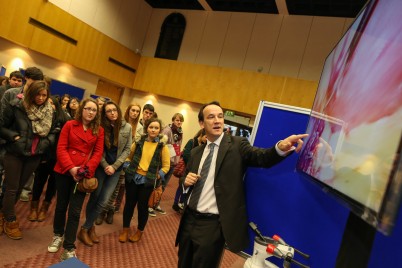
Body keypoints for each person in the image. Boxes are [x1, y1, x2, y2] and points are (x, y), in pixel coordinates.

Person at [175, 101, 308, 267]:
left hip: (212, 225)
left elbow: (262, 157)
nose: (217, 120)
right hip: (188, 219)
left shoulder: (238, 145)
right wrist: (185, 182)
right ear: (202, 123)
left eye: (220, 116)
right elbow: (185, 178)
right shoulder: (196, 152)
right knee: (183, 263)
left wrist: (280, 147)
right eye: (211, 117)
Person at [48, 98, 104, 261]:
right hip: (64, 170)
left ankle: (69, 246)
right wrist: (72, 168)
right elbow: (61, 148)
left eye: (94, 110)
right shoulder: (69, 124)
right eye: (88, 108)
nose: (91, 112)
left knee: (75, 211)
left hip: (83, 175)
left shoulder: (99, 130)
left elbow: (97, 153)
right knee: (61, 205)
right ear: (82, 109)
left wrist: (86, 170)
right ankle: (57, 234)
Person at [0, 80, 55, 239]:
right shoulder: (18, 106)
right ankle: (11, 220)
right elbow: (2, 126)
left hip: (34, 155)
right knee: (11, 188)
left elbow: (55, 129)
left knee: (19, 188)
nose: (41, 98)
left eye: (44, 95)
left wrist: (45, 144)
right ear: (31, 93)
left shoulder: (49, 111)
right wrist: (14, 137)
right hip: (15, 153)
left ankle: (2, 215)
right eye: (38, 94)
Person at [78, 100, 132, 247]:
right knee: (95, 198)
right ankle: (90, 228)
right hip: (100, 167)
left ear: (118, 111)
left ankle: (85, 228)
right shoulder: (101, 127)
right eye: (108, 111)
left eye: (114, 110)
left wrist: (114, 166)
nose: (112, 113)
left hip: (116, 169)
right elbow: (97, 150)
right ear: (104, 113)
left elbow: (127, 149)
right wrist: (105, 165)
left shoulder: (126, 126)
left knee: (104, 201)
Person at [118, 117, 170, 243]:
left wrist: (157, 175)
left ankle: (139, 231)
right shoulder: (139, 142)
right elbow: (128, 158)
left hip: (147, 182)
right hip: (133, 178)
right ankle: (125, 230)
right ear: (147, 128)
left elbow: (166, 166)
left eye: (156, 128)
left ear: (160, 130)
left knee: (142, 207)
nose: (153, 130)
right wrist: (127, 166)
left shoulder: (162, 147)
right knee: (129, 205)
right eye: (151, 127)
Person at [95, 103, 142, 225]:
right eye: (133, 110)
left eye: (137, 111)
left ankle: (109, 210)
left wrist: (117, 165)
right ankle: (101, 211)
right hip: (108, 162)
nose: (135, 113)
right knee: (100, 191)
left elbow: (129, 148)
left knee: (116, 190)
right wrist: (107, 165)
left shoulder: (139, 127)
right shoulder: (114, 123)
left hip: (124, 162)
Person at [28, 95, 70, 222]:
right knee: (39, 182)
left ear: (57, 105)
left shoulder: (65, 120)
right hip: (43, 156)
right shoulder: (41, 117)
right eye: (48, 103)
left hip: (58, 158)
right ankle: (34, 207)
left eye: (52, 103)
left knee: (53, 184)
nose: (50, 105)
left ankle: (44, 208)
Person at [150, 113, 184, 216]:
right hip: (164, 162)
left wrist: (176, 161)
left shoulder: (180, 132)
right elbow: (162, 145)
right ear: (173, 120)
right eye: (177, 120)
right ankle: (150, 205)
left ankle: (156, 204)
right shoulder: (167, 130)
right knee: (157, 184)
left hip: (173, 163)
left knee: (163, 186)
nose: (179, 122)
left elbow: (178, 147)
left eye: (181, 121)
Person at [172, 129, 207, 212]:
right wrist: (192, 164)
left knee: (188, 187)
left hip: (194, 170)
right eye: (206, 137)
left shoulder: (203, 145)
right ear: (201, 135)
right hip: (186, 167)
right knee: (181, 185)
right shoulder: (191, 141)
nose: (207, 139)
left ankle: (181, 203)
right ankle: (176, 203)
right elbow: (186, 154)